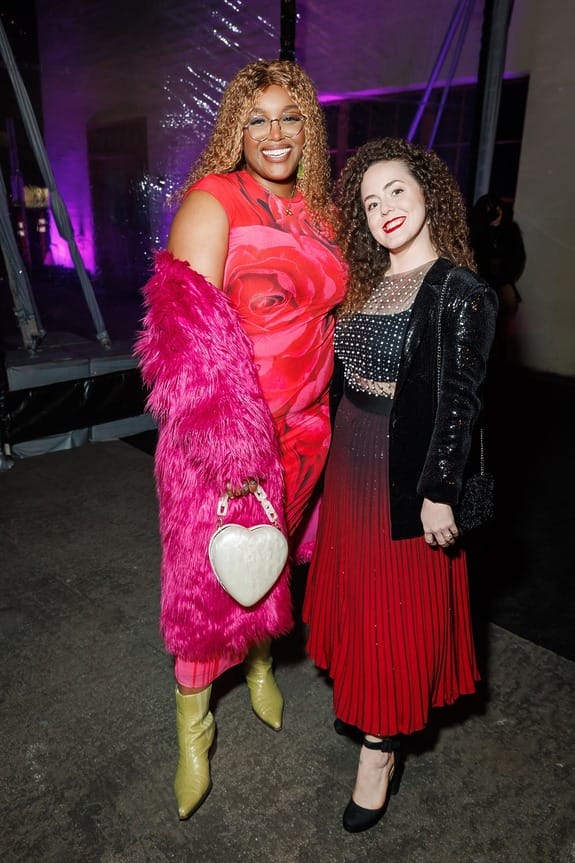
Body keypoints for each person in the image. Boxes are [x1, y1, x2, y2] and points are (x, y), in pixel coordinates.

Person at [135, 59, 347, 820]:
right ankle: (194, 732)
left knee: (271, 561)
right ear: (236, 129)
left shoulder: (324, 210)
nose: (274, 133)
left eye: (288, 117)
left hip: (307, 430)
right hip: (225, 442)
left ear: (308, 127)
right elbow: (184, 344)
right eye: (256, 119)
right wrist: (233, 454)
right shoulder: (213, 201)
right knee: (206, 590)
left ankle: (260, 663)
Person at [303, 138, 498, 833]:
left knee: (393, 612)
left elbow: (461, 401)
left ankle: (378, 752)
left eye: (396, 190)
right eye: (369, 201)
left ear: (427, 194)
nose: (384, 207)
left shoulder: (461, 290)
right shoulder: (364, 283)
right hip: (350, 459)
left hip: (407, 470)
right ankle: (366, 704)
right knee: (358, 599)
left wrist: (438, 489)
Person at [470, 193, 526, 367]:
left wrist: (505, 278)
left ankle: (499, 357)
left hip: (501, 281)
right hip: (481, 282)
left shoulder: (510, 231)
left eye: (497, 209)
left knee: (506, 306)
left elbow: (517, 259)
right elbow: (474, 257)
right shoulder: (477, 232)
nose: (496, 213)